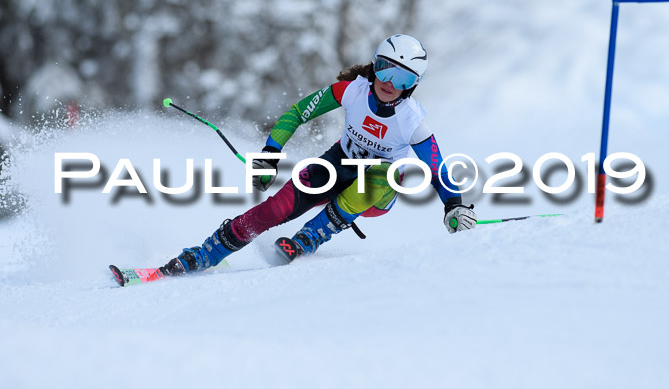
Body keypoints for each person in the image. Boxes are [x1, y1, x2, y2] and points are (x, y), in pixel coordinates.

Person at [160, 34, 477, 275]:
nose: (390, 83)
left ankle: (305, 240)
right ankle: (205, 254)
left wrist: (454, 206)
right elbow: (296, 114)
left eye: (403, 79)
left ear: (412, 86)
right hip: (338, 164)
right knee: (275, 209)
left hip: (378, 189)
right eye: (385, 70)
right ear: (375, 65)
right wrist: (271, 153)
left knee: (376, 180)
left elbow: (438, 170)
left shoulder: (411, 122)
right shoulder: (351, 90)